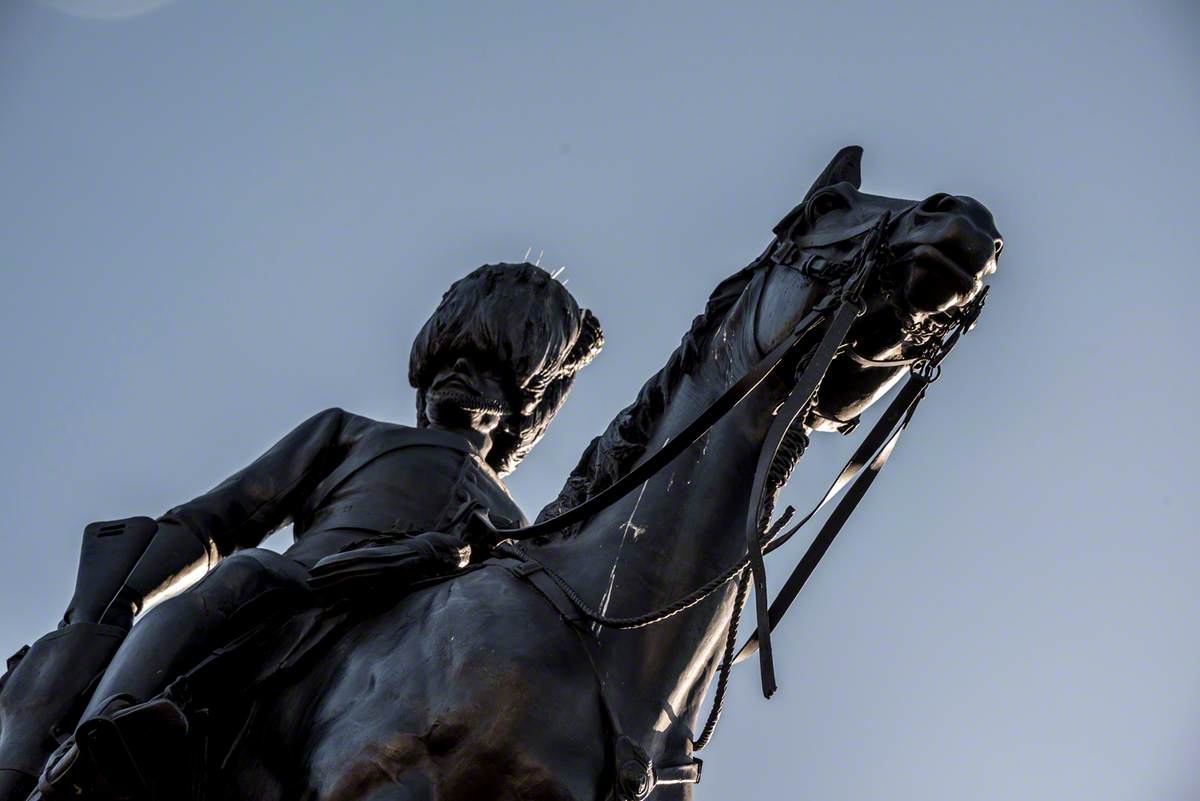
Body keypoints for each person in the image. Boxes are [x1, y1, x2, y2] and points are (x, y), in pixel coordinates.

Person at [0, 263, 602, 801]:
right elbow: (216, 522)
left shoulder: (515, 524)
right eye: (448, 355)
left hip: (402, 648)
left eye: (488, 366)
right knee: (244, 572)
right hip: (295, 593)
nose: (458, 371)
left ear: (523, 401)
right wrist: (120, 597)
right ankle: (108, 731)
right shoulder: (353, 434)